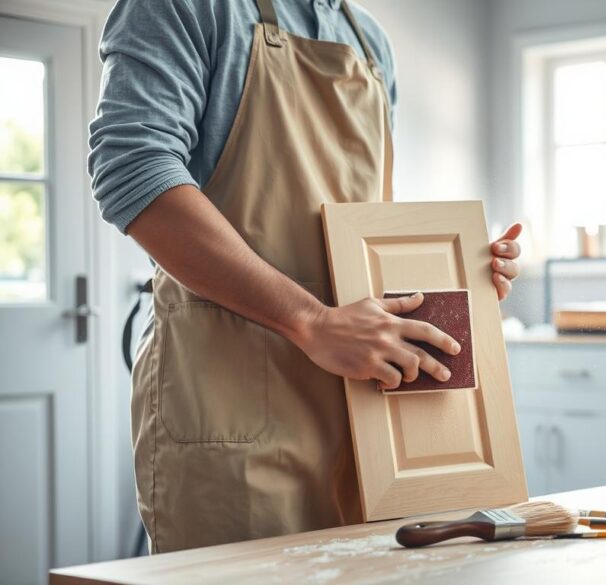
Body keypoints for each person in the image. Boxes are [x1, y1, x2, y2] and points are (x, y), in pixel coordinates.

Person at [88, 0, 521, 553]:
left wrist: (460, 267)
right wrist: (311, 321)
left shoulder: (369, 41)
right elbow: (132, 167)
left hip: (366, 419)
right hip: (232, 404)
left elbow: (364, 230)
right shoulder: (185, 7)